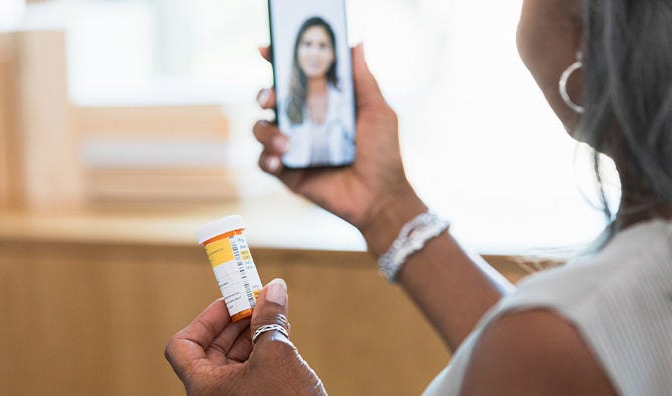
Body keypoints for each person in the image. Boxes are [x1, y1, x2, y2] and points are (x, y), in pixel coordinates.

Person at [165, 0, 672, 394]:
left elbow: (555, 345)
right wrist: (387, 209)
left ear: (589, 30)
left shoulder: (552, 339)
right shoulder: (575, 325)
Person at [279, 16, 355, 168]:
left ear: (333, 55)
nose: (314, 53)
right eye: (307, 44)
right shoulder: (285, 104)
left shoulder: (348, 100)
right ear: (297, 52)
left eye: (322, 46)